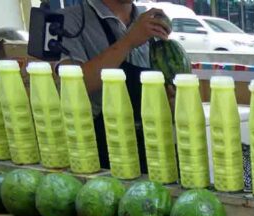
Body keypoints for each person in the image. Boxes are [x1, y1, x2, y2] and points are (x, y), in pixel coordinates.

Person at [58, 0, 172, 169]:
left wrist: (168, 96)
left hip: (151, 143)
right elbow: (73, 87)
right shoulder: (67, 20)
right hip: (101, 151)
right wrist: (129, 41)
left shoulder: (147, 19)